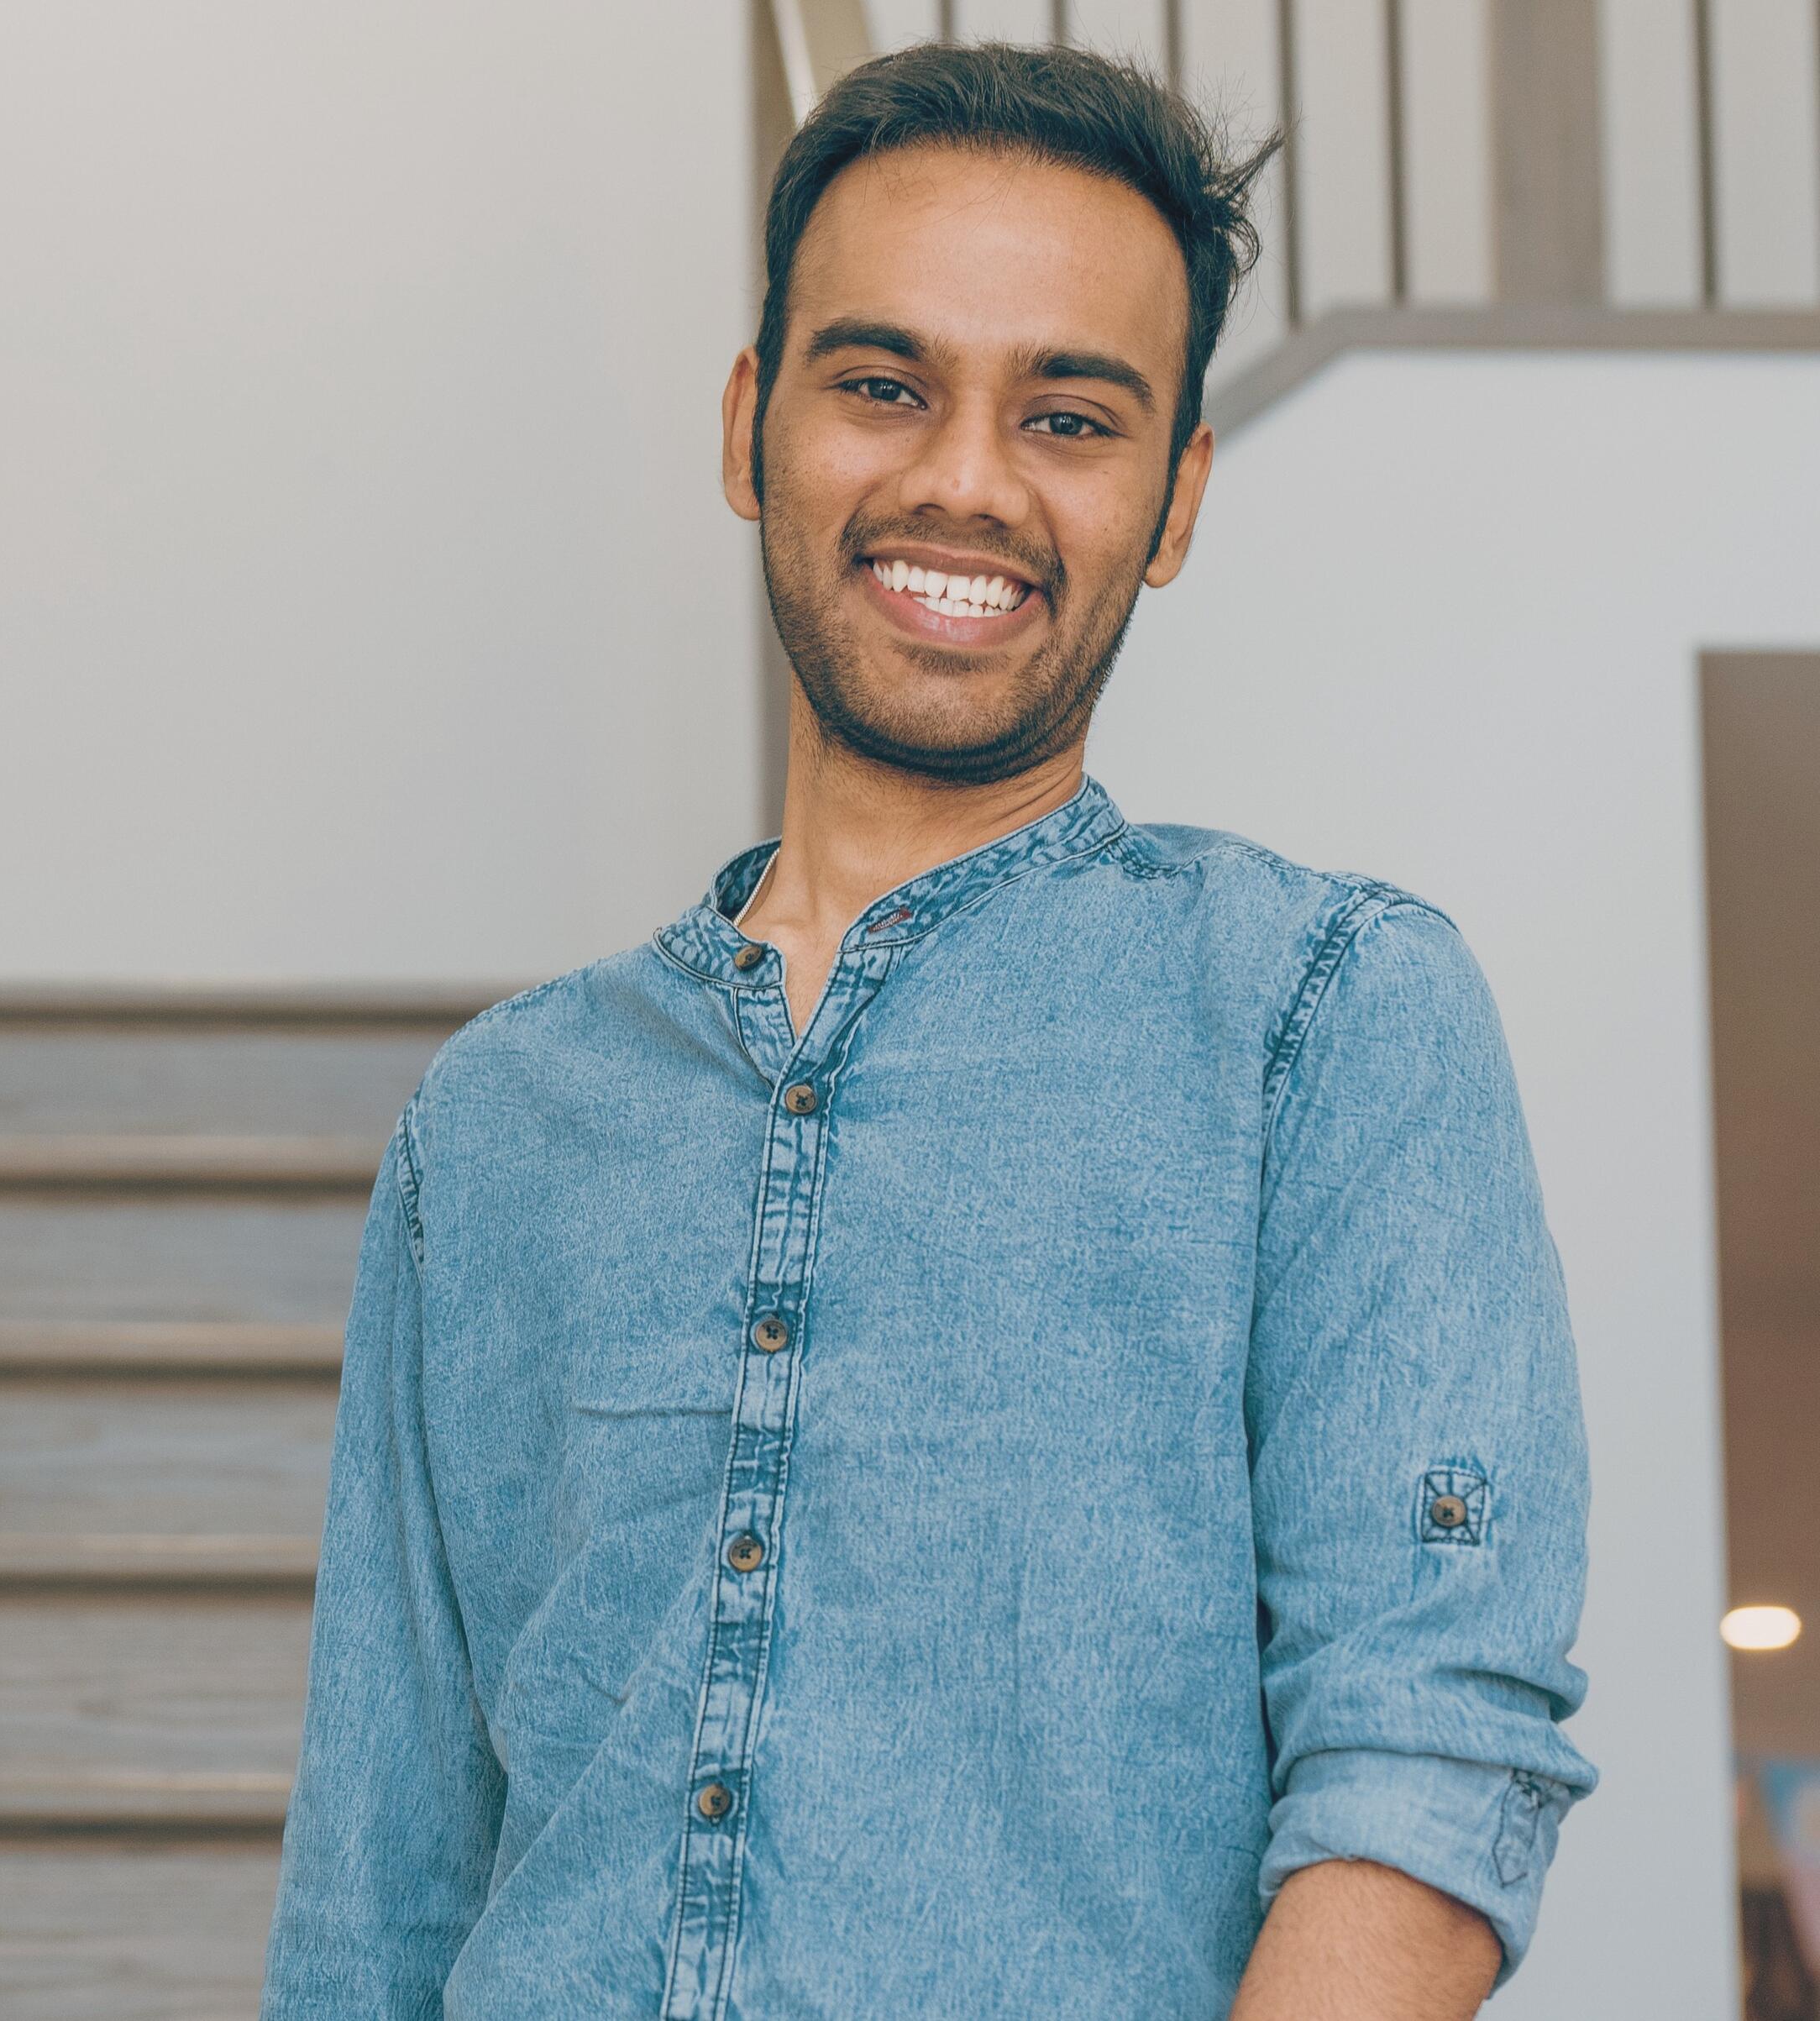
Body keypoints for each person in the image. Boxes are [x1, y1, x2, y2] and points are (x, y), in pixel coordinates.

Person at [260, 38, 1592, 2021]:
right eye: (884, 385)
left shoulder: (1331, 1020)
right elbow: (382, 1886)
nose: (963, 480)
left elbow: (1426, 1755)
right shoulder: (501, 1123)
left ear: (1174, 500)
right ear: (750, 428)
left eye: (1069, 414)